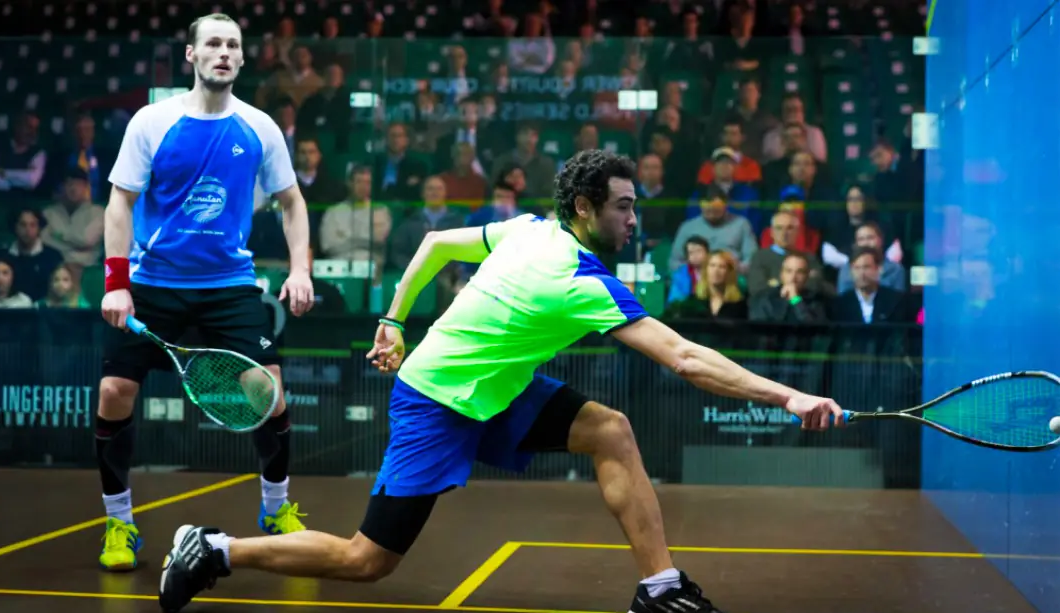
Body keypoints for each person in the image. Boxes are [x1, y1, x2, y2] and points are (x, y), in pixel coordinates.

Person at [155, 149, 844, 613]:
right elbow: (686, 359)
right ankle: (214, 548)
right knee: (368, 560)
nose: (633, 222)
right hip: (436, 400)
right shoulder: (576, 277)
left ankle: (660, 588)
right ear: (582, 205)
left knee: (611, 428)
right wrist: (789, 395)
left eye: (635, 208)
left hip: (498, 385)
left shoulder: (529, 230)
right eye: (623, 208)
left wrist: (395, 317)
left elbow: (433, 247)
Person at [95, 13, 315, 573]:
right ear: (191, 56)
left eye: (233, 45)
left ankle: (276, 508)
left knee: (268, 393)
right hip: (152, 284)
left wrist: (300, 270)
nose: (224, 52)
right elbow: (119, 203)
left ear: (242, 59)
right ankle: (119, 522)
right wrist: (117, 284)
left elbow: (292, 202)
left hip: (229, 286)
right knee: (114, 392)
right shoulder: (152, 121)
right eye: (213, 43)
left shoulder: (261, 127)